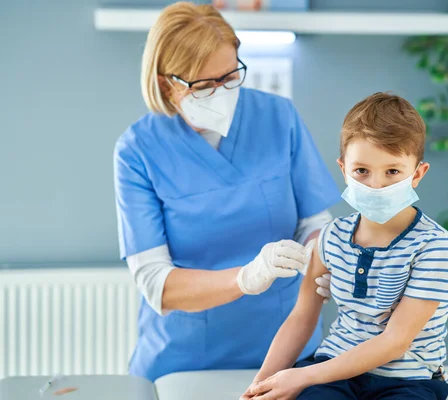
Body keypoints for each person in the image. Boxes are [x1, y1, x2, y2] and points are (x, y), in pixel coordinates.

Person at [113, 2, 338, 382]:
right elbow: (156, 281)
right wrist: (246, 277)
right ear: (168, 83)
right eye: (204, 85)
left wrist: (320, 252)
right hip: (185, 360)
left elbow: (313, 220)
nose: (222, 91)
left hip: (287, 349)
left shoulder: (278, 118)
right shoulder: (138, 150)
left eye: (231, 76)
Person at [242, 93, 448, 400]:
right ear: (343, 169)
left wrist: (303, 376)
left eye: (393, 171)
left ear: (418, 174)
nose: (376, 185)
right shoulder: (330, 237)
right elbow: (302, 317)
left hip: (408, 379)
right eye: (362, 171)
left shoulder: (435, 246)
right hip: (332, 371)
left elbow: (395, 341)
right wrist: (261, 386)